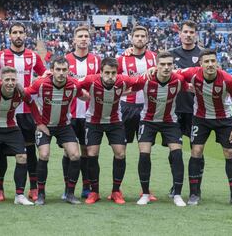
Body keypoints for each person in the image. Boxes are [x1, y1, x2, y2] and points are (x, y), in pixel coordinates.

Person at [177, 49, 232, 206]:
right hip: (200, 118)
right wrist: (185, 85)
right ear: (200, 64)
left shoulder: (227, 80)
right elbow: (174, 74)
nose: (210, 64)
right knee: (196, 151)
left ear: (217, 62)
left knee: (229, 152)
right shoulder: (193, 73)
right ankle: (194, 194)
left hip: (224, 119)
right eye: (206, 61)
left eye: (213, 61)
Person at [0, 22, 47, 202]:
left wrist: (31, 89)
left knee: (29, 150)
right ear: (9, 35)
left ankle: (33, 188)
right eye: (14, 32)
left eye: (21, 32)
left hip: (26, 111)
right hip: (5, 110)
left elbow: (44, 75)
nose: (18, 35)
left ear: (25, 35)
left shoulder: (33, 56)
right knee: (2, 150)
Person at [26, 56, 88, 205]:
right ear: (51, 70)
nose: (61, 73)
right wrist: (38, 122)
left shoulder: (73, 85)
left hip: (64, 126)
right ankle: (41, 194)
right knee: (44, 154)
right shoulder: (41, 84)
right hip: (45, 126)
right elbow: (26, 96)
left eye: (64, 70)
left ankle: (70, 193)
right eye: (58, 69)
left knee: (75, 155)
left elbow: (85, 97)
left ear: (68, 71)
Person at [130, 52, 188, 206]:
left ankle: (177, 194)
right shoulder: (146, 79)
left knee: (177, 154)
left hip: (170, 121)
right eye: (162, 64)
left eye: (169, 64)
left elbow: (192, 88)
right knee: (144, 155)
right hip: (147, 120)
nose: (166, 67)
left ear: (173, 66)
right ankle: (145, 194)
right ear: (156, 66)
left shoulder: (179, 80)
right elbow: (127, 86)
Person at [80, 57, 137, 205]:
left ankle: (116, 191)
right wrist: (83, 96)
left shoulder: (123, 81)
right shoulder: (90, 80)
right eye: (107, 73)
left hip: (115, 122)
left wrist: (125, 93)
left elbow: (140, 82)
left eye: (113, 73)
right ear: (100, 72)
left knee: (120, 153)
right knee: (91, 153)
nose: (110, 76)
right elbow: (73, 85)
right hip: (93, 122)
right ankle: (94, 191)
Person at [0, 66, 33, 206]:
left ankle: (19, 195)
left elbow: (32, 104)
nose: (10, 83)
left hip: (11, 127)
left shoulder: (21, 92)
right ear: (0, 80)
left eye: (13, 80)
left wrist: (40, 123)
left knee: (22, 157)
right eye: (7, 79)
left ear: (17, 81)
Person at [117, 25, 157, 201]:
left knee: (145, 151)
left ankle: (145, 191)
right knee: (120, 151)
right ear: (131, 38)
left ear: (147, 38)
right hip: (126, 108)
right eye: (137, 36)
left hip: (147, 108)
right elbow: (114, 81)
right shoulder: (122, 59)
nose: (140, 38)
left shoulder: (155, 58)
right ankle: (116, 190)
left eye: (143, 36)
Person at [62, 25, 101, 199]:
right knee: (68, 152)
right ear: (74, 40)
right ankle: (67, 187)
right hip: (69, 114)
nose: (84, 39)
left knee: (86, 151)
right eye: (80, 36)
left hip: (89, 114)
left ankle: (86, 186)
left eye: (86, 36)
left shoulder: (97, 61)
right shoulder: (65, 60)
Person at [168, 20, 203, 198]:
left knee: (197, 150)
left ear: (195, 34)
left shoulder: (203, 55)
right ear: (179, 34)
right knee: (174, 150)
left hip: (196, 109)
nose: (188, 35)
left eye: (191, 32)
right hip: (174, 109)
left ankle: (196, 188)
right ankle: (176, 186)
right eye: (185, 32)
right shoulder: (170, 55)